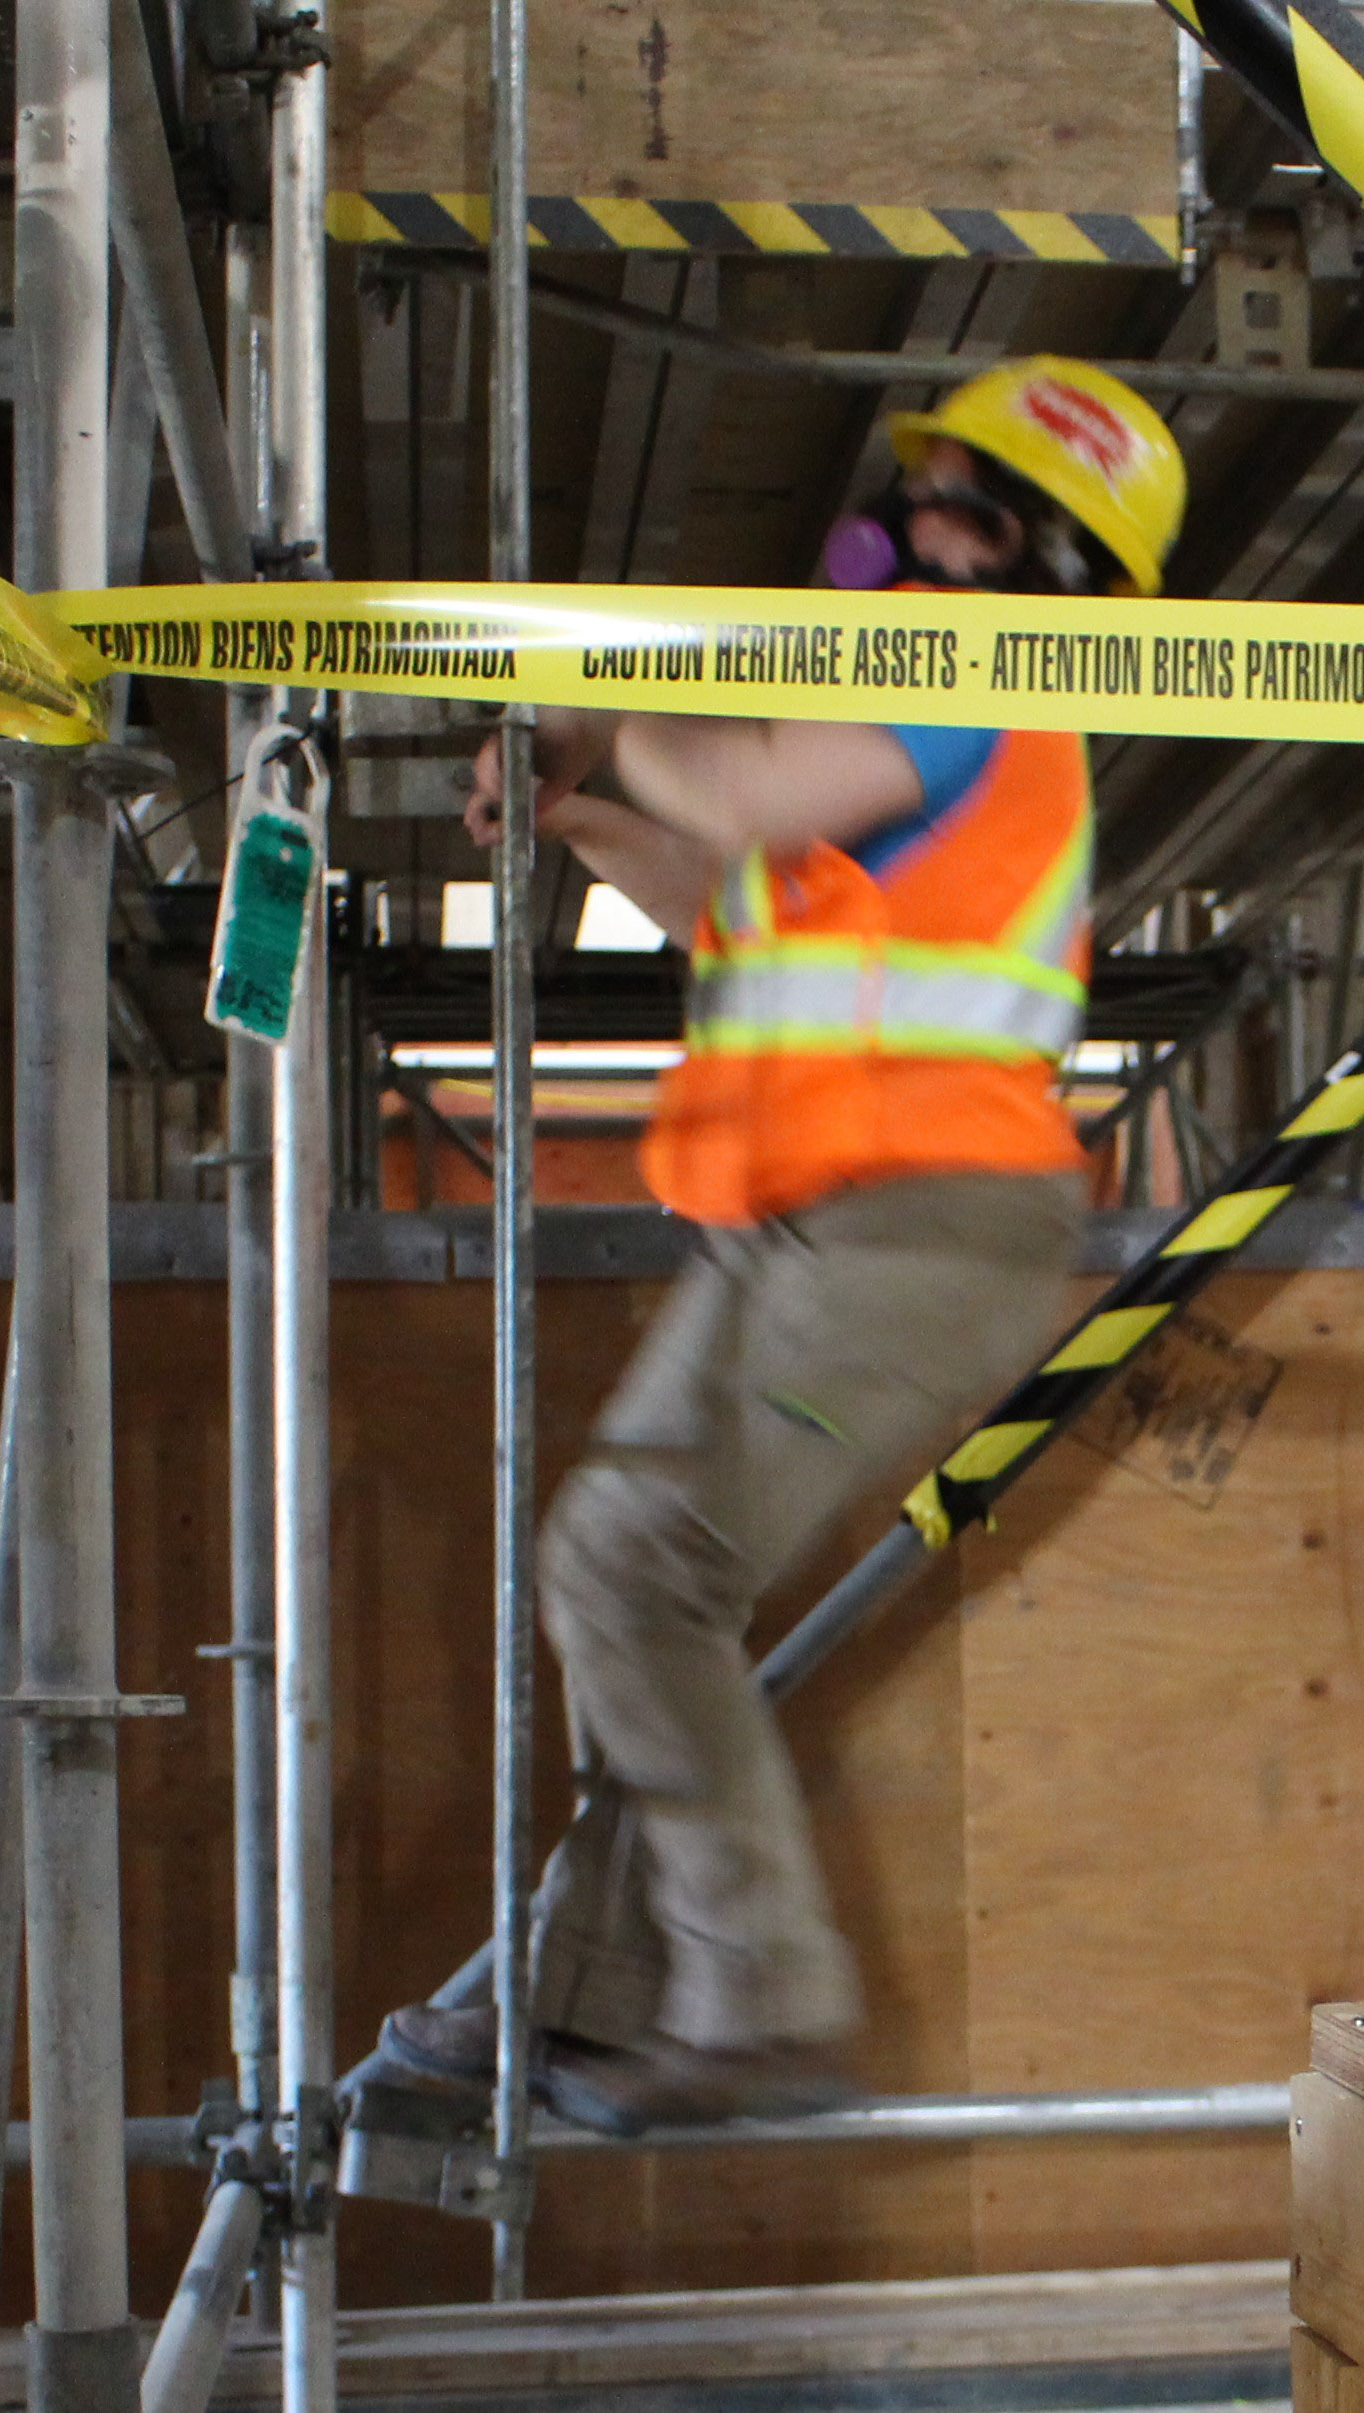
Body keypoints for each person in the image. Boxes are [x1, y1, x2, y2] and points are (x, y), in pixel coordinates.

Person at [375, 361, 1187, 2131]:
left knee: (632, 1568)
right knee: (626, 1580)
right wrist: (580, 805)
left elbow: (736, 798)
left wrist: (580, 684)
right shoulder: (898, 744)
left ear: (1048, 571)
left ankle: (761, 1999)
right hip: (800, 1226)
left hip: (922, 1228)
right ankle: (583, 1997)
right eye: (926, 490)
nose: (909, 530)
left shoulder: (980, 681)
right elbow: (720, 889)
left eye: (966, 507)